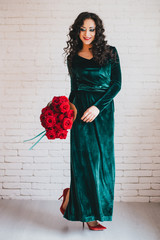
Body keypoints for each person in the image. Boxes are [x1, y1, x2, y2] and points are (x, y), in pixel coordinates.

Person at [58, 12, 122, 231]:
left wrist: (97, 107)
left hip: (102, 112)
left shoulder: (110, 52)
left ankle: (75, 199)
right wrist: (64, 113)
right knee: (83, 164)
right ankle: (89, 216)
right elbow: (74, 90)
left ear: (98, 31)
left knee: (102, 164)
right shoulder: (72, 57)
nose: (87, 33)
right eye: (83, 29)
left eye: (91, 29)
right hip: (80, 113)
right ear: (77, 30)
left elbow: (116, 85)